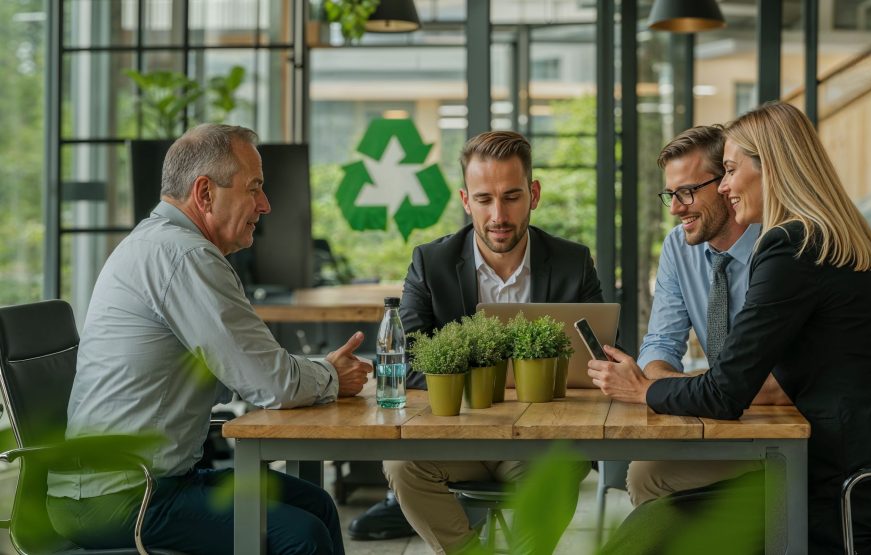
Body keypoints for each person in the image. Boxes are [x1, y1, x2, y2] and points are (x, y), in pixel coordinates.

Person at [589, 103, 871, 554]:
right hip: (867, 478)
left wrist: (641, 390)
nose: (727, 185)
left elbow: (725, 392)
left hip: (850, 498)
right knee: (653, 517)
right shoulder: (823, 236)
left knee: (650, 534)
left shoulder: (791, 247)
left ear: (769, 166)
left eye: (730, 170)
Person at [46, 124, 373, 555]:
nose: (266, 205)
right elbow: (270, 383)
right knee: (300, 536)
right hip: (121, 497)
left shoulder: (162, 245)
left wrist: (305, 373)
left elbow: (247, 369)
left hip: (148, 481)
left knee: (316, 505)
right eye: (254, 188)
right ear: (205, 194)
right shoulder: (185, 256)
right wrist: (331, 375)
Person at [351, 130, 604, 554]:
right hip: (456, 439)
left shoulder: (572, 262)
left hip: (539, 446)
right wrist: (503, 382)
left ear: (534, 194)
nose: (498, 215)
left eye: (511, 196)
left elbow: (600, 362)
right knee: (401, 464)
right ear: (467, 201)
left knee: (560, 471)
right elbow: (408, 361)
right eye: (484, 199)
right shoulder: (431, 263)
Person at [627, 124, 790, 507]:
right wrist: (693, 388)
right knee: (644, 470)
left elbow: (777, 386)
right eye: (670, 194)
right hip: (722, 414)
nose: (675, 208)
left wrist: (692, 388)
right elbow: (660, 345)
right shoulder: (678, 247)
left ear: (724, 184)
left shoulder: (779, 249)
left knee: (647, 475)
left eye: (686, 192)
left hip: (787, 431)